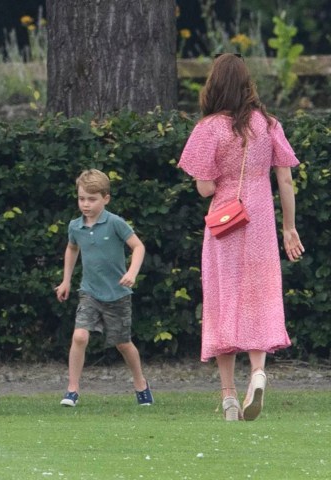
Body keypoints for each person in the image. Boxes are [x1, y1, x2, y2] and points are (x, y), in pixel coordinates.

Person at [178, 53, 304, 421]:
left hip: (225, 221)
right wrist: (288, 227)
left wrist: (223, 178)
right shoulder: (268, 124)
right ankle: (259, 373)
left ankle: (230, 396)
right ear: (248, 82)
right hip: (261, 218)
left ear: (214, 85)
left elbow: (203, 188)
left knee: (223, 297)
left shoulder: (208, 128)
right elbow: (285, 179)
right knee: (260, 293)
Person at [55, 169, 153, 407]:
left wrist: (131, 273)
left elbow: (138, 247)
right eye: (81, 199)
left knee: (123, 344)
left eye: (92, 199)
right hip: (89, 292)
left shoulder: (115, 223)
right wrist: (66, 280)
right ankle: (72, 390)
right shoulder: (75, 226)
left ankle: (141, 383)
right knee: (79, 336)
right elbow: (72, 248)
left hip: (117, 296)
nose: (85, 204)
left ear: (105, 198)